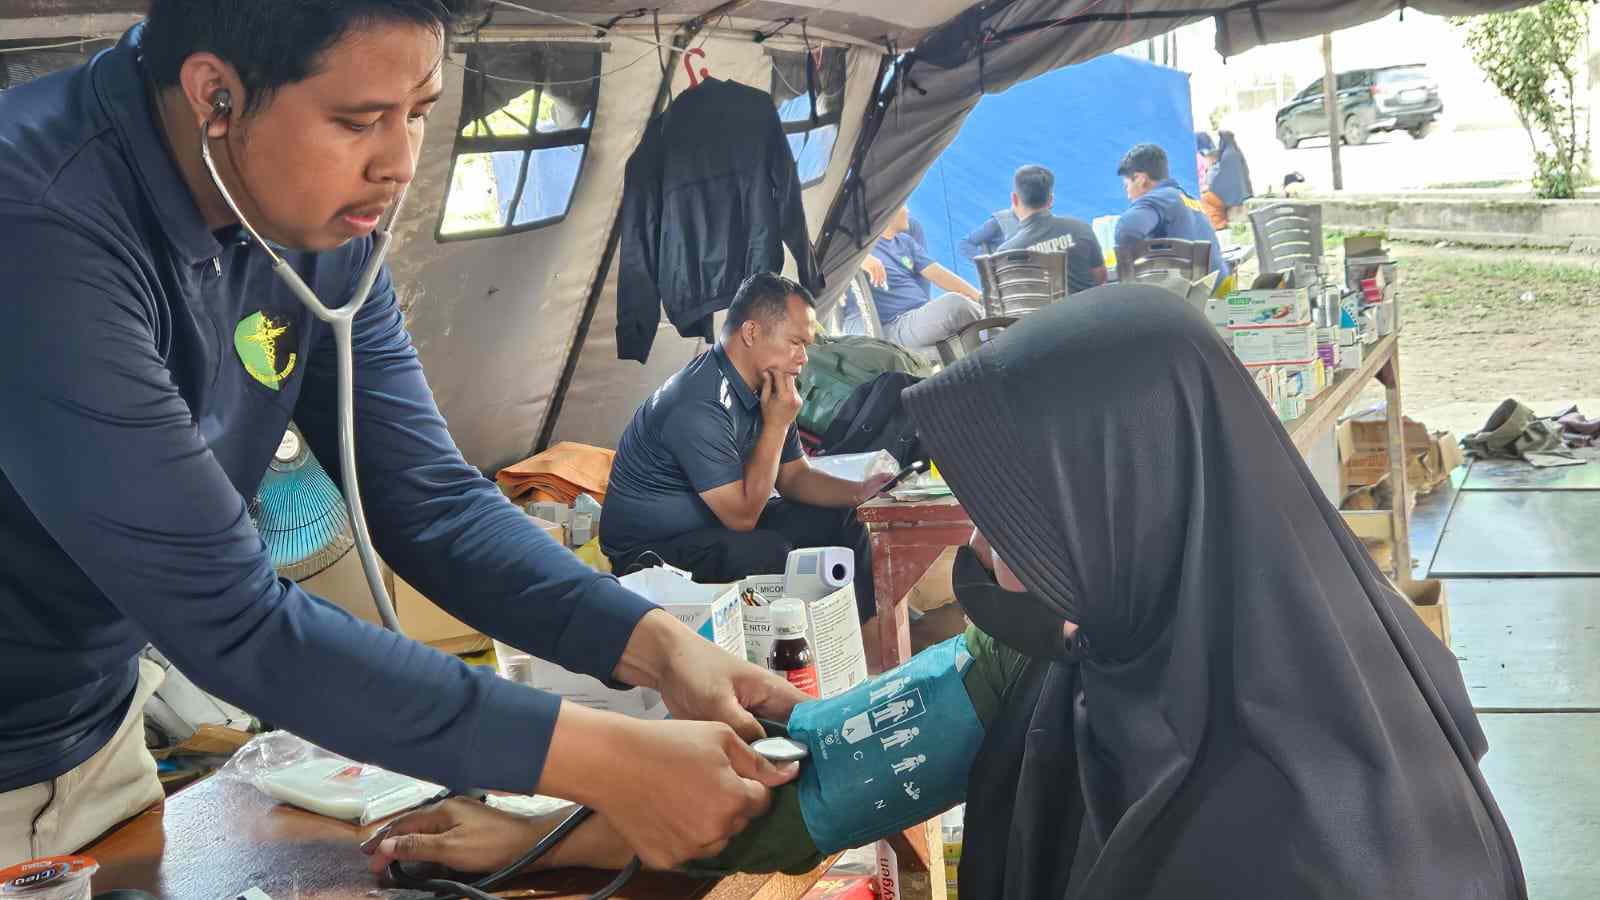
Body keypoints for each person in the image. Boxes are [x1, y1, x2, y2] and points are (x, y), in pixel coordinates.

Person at [364, 286, 1528, 900]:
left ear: (1134, 501)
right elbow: (827, 764)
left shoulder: (1307, 837)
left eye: (1024, 518)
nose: (986, 552)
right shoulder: (1072, 649)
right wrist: (557, 831)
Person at [0, 1, 808, 869]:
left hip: (89, 737)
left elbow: (433, 501)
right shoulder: (36, 221)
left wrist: (657, 645)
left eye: (418, 115)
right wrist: (604, 761)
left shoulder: (307, 216)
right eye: (359, 122)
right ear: (215, 95)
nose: (399, 165)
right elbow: (231, 621)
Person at [600, 273, 892, 628]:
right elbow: (742, 519)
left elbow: (794, 476)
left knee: (842, 517)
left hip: (714, 525)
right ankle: (780, 658)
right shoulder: (697, 403)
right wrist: (777, 424)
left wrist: (862, 493)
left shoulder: (764, 387)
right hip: (653, 550)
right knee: (766, 552)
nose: (803, 357)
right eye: (795, 343)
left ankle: (861, 640)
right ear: (751, 333)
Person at [857, 205, 985, 355]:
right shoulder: (858, 248)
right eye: (904, 206)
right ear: (889, 210)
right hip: (895, 324)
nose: (908, 211)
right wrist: (859, 259)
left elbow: (939, 275)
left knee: (967, 313)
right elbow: (828, 261)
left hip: (919, 316)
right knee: (955, 305)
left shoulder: (905, 242)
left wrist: (982, 299)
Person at [1113, 143, 1229, 281]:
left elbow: (1126, 230)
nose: (1128, 196)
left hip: (1186, 298)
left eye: (1127, 186)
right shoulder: (1187, 200)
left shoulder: (1158, 200)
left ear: (1140, 179)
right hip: (1216, 291)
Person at [993, 164, 1106, 294]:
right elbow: (1101, 276)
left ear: (1014, 199)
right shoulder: (1081, 228)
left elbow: (1009, 298)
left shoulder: (1006, 252)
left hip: (1039, 314)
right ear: (1050, 200)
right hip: (1088, 311)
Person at [1200, 130, 1254, 229]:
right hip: (1240, 193)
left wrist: (1212, 187)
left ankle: (1217, 225)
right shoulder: (1235, 153)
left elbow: (1224, 176)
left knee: (1207, 201)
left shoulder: (1227, 155)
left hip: (1228, 195)